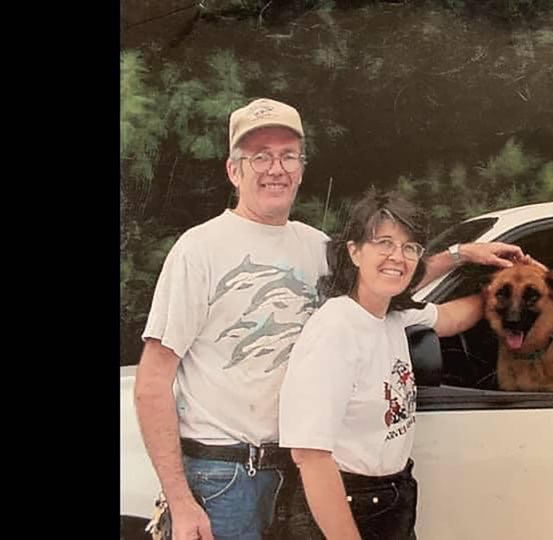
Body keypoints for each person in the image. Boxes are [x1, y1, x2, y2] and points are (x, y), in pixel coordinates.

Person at [133, 98, 526, 540]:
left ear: (301, 168)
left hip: (300, 472)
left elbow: (385, 275)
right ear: (233, 170)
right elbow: (153, 381)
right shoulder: (199, 249)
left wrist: (461, 255)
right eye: (259, 155)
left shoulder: (314, 246)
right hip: (224, 479)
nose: (275, 168)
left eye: (287, 155)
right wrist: (181, 501)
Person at [278, 189, 486, 540]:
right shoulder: (335, 330)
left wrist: (500, 291)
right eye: (384, 243)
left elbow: (451, 318)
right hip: (346, 507)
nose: (397, 257)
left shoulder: (393, 315)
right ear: (354, 251)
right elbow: (310, 456)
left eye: (410, 247)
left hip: (394, 500)